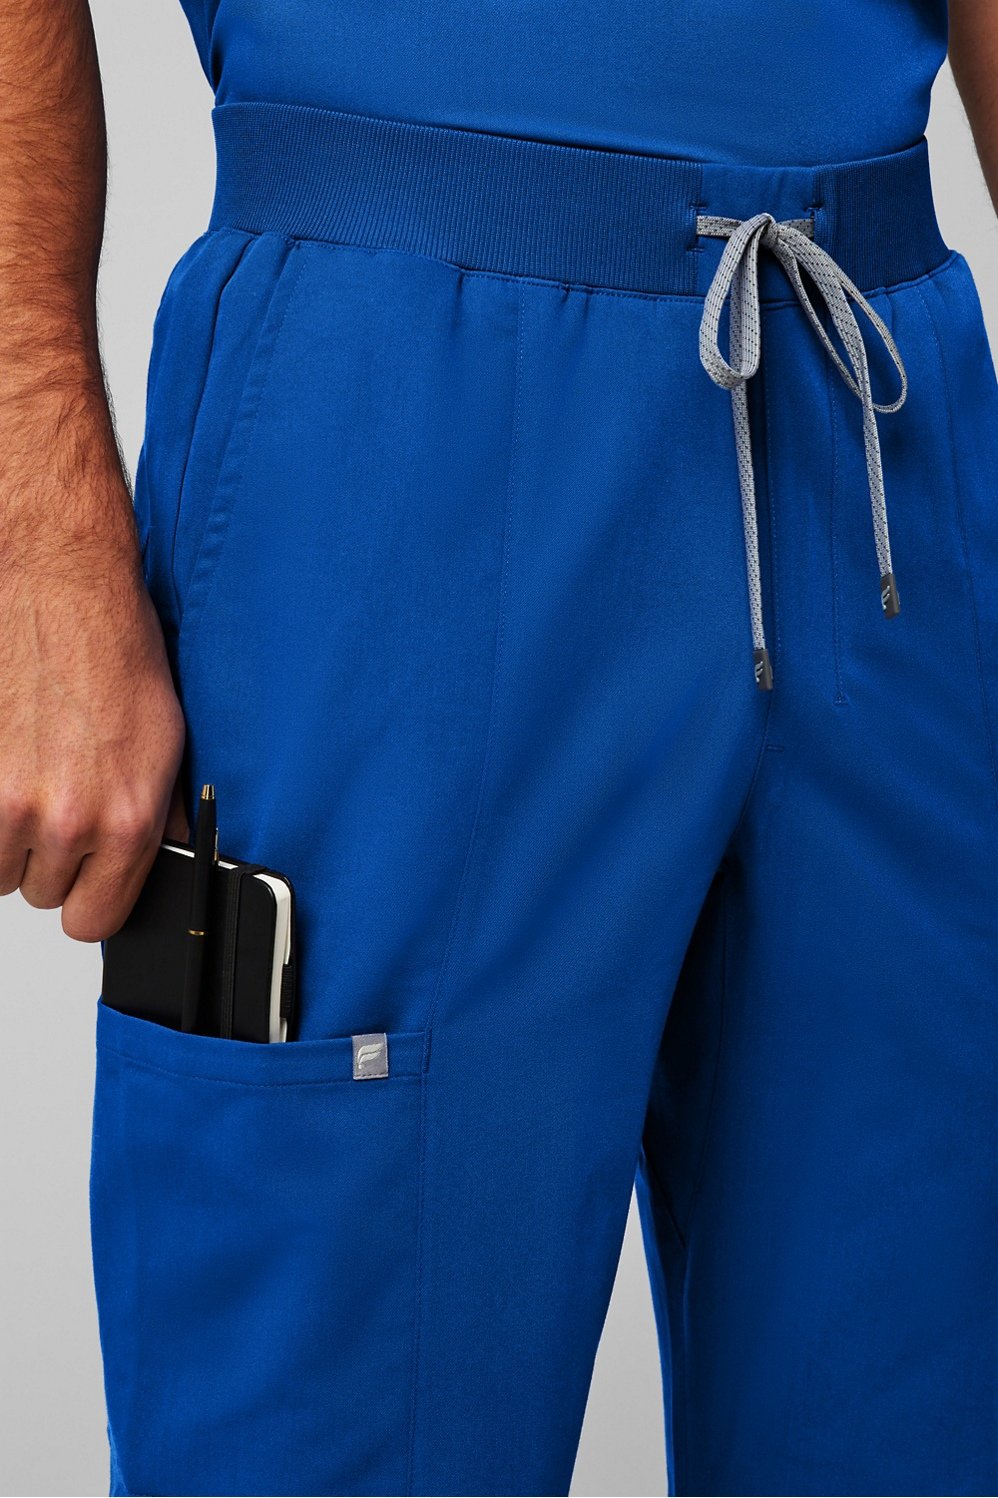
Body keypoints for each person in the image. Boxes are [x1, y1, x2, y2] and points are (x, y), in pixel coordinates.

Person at [3, 1, 997, 1493]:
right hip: (396, 416)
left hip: (881, 415)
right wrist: (35, 535)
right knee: (325, 1426)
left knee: (918, 1414)